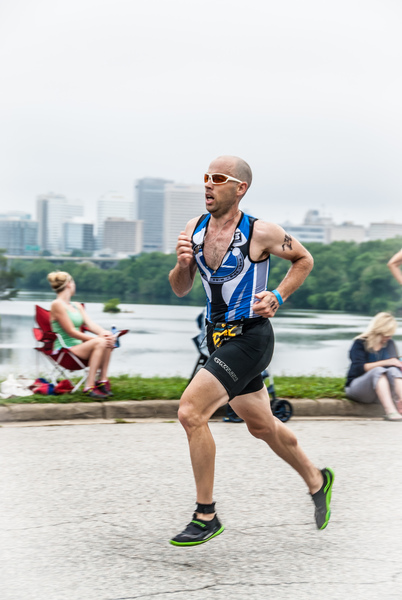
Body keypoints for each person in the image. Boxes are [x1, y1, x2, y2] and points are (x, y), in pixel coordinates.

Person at [168, 155, 334, 546]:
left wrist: (278, 294)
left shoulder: (260, 232)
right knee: (261, 425)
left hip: (251, 336)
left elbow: (303, 259)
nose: (208, 184)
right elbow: (179, 287)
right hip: (217, 337)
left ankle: (205, 515)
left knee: (191, 412)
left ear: (240, 188)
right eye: (205, 177)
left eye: (218, 178)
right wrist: (182, 264)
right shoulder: (193, 229)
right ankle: (317, 479)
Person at [47, 271, 116, 399]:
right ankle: (89, 387)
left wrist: (104, 333)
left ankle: (102, 381)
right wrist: (97, 339)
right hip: (65, 351)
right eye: (73, 282)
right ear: (68, 284)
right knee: (101, 342)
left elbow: (90, 324)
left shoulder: (77, 305)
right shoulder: (57, 304)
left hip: (80, 349)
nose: (74, 285)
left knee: (107, 340)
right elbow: (71, 332)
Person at [345, 312, 402, 421]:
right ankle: (390, 411)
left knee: (394, 370)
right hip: (359, 389)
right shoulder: (360, 343)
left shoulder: (389, 344)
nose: (388, 337)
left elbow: (392, 368)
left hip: (382, 392)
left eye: (391, 334)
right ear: (378, 331)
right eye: (386, 334)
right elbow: (358, 368)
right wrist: (386, 362)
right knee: (378, 371)